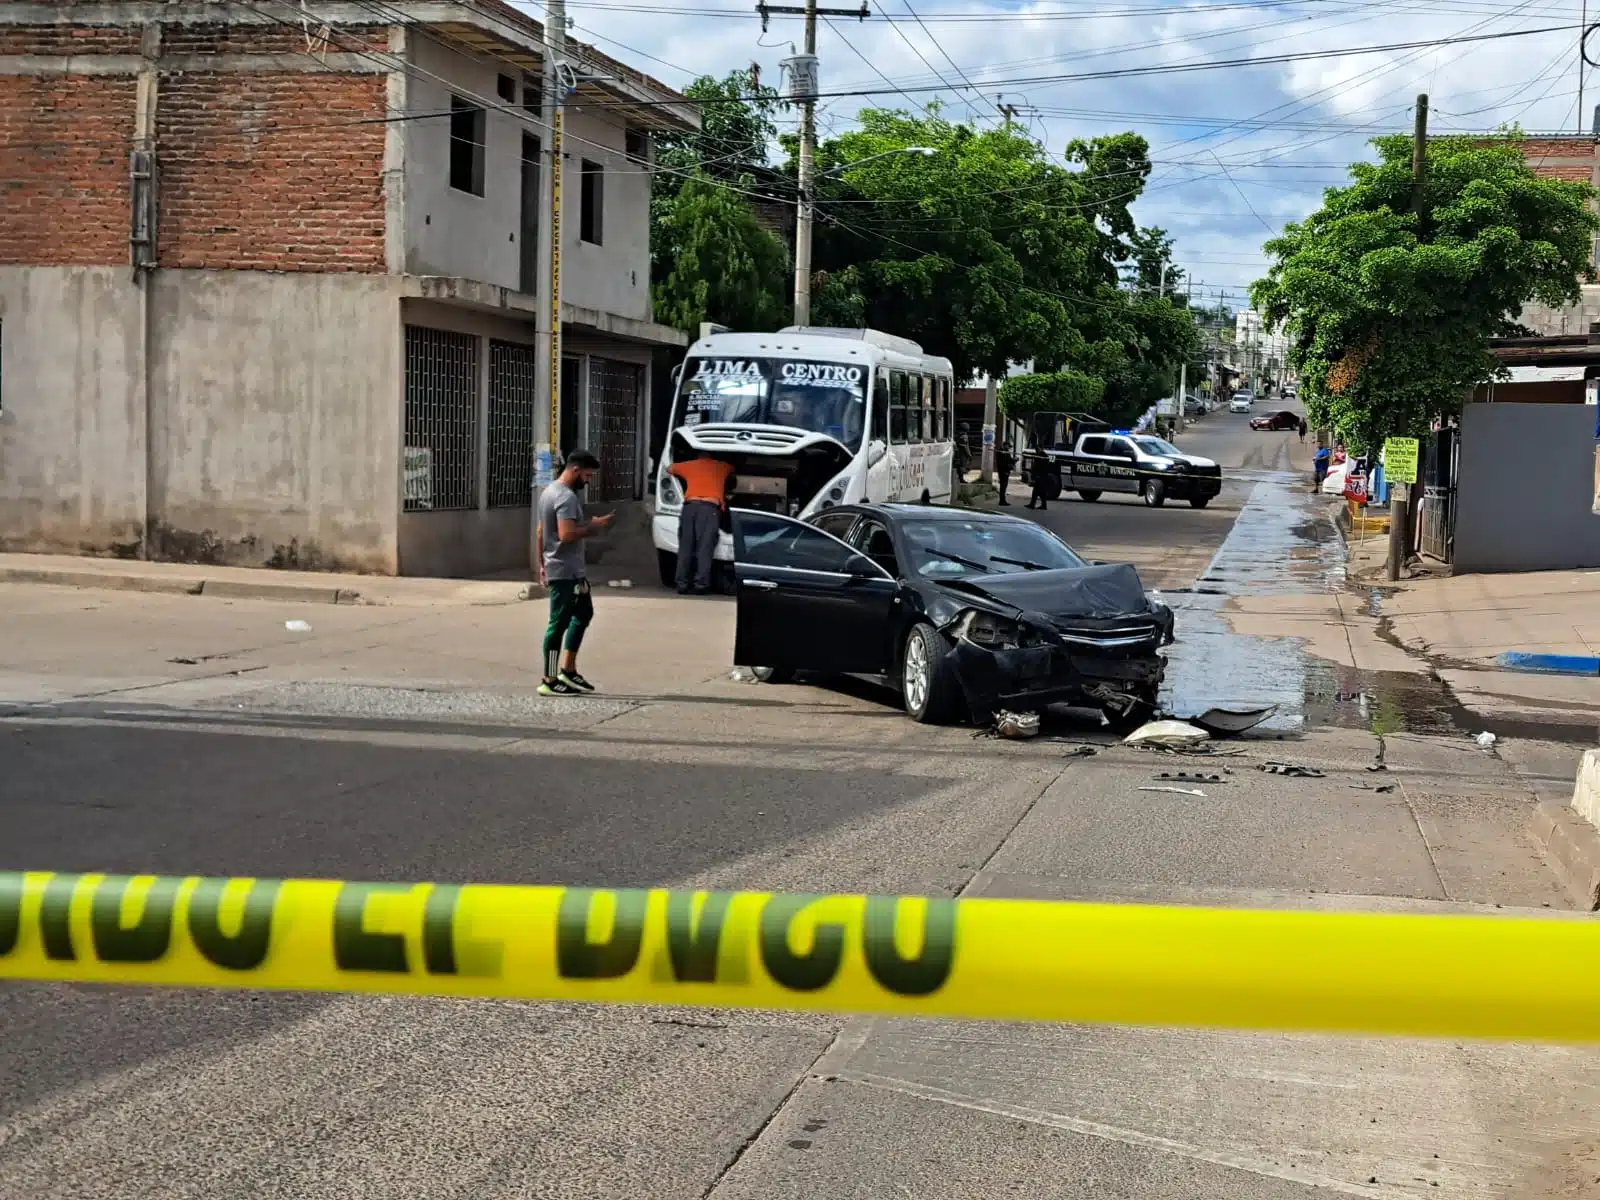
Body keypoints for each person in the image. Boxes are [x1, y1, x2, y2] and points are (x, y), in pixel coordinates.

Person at [535, 449, 612, 696]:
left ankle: (567, 670)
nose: (588, 481)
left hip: (569, 570)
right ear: (575, 469)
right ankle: (549, 678)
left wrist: (541, 564)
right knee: (558, 624)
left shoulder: (549, 492)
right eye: (588, 475)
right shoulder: (565, 497)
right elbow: (566, 534)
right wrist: (594, 527)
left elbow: (540, 532)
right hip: (564, 571)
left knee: (584, 613)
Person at [668, 446, 735, 594]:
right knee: (705, 548)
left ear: (697, 456)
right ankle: (701, 585)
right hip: (709, 509)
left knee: (685, 547)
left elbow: (669, 468)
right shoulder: (722, 466)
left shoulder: (688, 465)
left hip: (689, 508)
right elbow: (734, 468)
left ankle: (682, 584)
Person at [994, 441, 1014, 506]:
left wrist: (1014, 460)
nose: (1009, 448)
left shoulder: (1006, 452)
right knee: (1003, 487)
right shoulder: (1002, 452)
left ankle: (1003, 500)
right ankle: (1002, 501)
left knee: (1004, 487)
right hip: (1003, 472)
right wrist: (1005, 470)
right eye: (1008, 446)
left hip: (1006, 471)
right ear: (1005, 445)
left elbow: (1010, 460)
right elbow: (1002, 463)